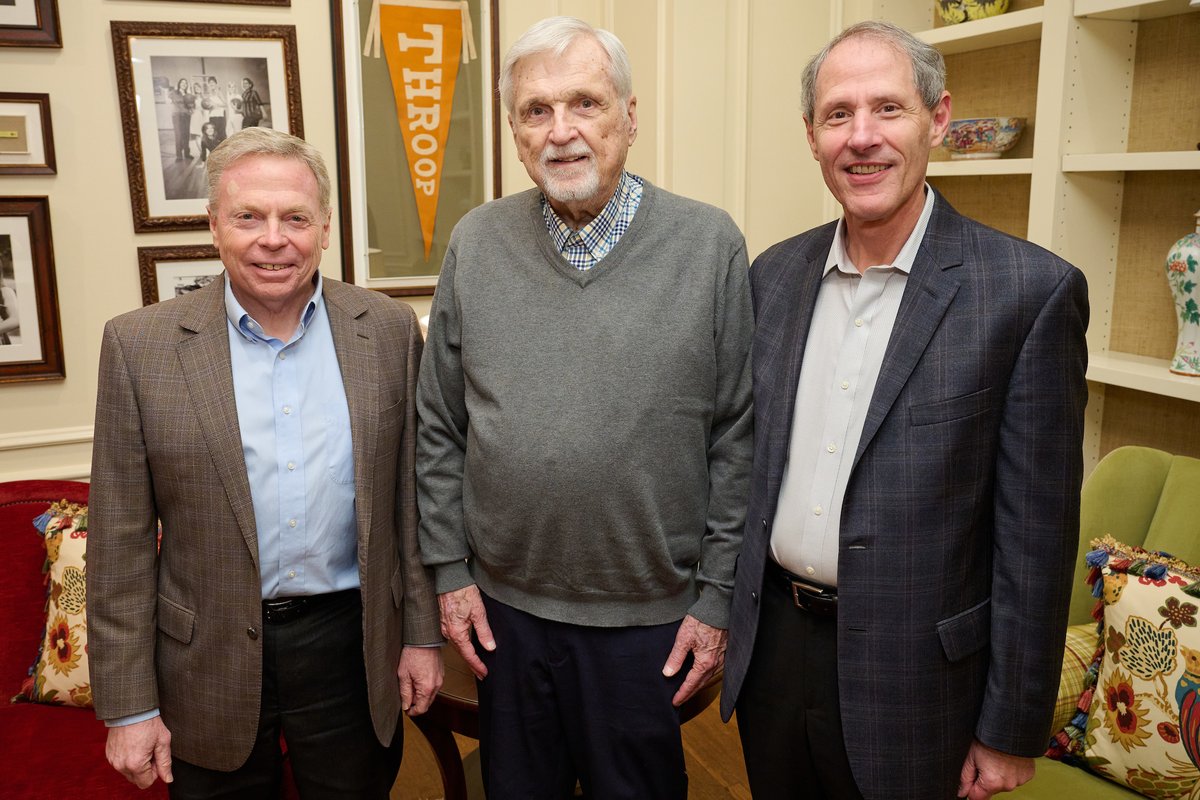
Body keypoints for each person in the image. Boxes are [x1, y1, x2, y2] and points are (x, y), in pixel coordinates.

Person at [721, 20, 1090, 800]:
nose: (862, 138)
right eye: (837, 114)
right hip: (775, 657)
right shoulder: (774, 277)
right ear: (812, 135)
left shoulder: (1027, 293)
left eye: (888, 109)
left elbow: (1036, 541)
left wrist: (1010, 729)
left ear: (938, 118)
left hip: (919, 677)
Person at [416, 15, 753, 799]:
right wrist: (449, 574)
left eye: (585, 104)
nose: (560, 131)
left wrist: (716, 598)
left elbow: (740, 435)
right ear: (513, 130)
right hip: (504, 614)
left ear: (630, 117)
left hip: (651, 622)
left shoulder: (709, 246)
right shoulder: (475, 242)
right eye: (536, 111)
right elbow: (438, 425)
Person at [88, 127, 442, 798]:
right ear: (214, 225)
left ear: (325, 229)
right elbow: (120, 545)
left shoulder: (388, 330)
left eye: (295, 218)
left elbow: (411, 504)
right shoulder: (140, 347)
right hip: (207, 656)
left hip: (351, 646)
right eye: (248, 216)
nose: (273, 238)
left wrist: (421, 638)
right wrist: (131, 707)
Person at [168, 78, 194, 161]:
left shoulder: (188, 94)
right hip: (177, 115)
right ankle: (179, 156)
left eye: (186, 83)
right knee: (178, 135)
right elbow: (169, 99)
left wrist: (191, 108)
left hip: (186, 115)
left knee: (186, 134)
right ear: (179, 84)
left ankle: (187, 153)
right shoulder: (174, 92)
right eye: (182, 82)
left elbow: (192, 105)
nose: (184, 84)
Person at [204, 76, 227, 142]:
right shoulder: (208, 95)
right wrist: (209, 107)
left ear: (216, 84)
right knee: (214, 134)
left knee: (222, 134)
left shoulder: (219, 92)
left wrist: (216, 105)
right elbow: (206, 107)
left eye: (213, 82)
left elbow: (225, 104)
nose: (211, 84)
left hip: (220, 116)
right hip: (212, 116)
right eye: (210, 83)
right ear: (208, 85)